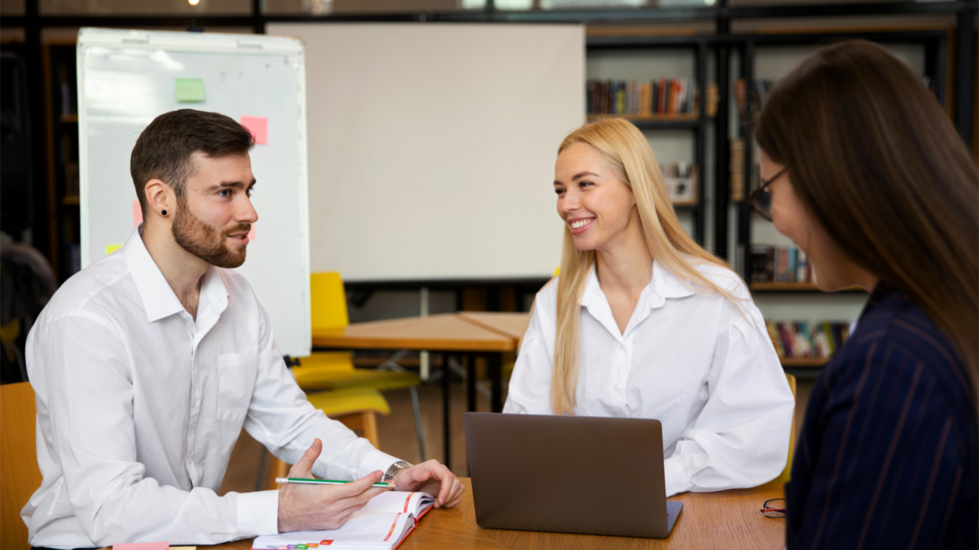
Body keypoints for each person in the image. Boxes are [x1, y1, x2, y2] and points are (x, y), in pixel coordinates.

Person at [22, 109, 464, 549]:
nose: (249, 212)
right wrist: (278, 512)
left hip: (190, 539)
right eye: (225, 193)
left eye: (247, 190)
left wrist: (391, 473)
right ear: (161, 198)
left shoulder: (237, 297)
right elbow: (110, 510)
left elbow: (292, 424)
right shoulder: (86, 321)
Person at [751, 40, 978, 549]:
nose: (775, 219)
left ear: (825, 173)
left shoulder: (890, 370)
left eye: (770, 192)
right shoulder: (949, 306)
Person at [503, 117, 795, 497]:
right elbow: (524, 427)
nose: (566, 204)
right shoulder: (553, 302)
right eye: (560, 190)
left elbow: (754, 430)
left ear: (635, 188)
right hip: (583, 505)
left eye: (585, 184)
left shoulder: (715, 295)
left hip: (693, 505)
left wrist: (658, 479)